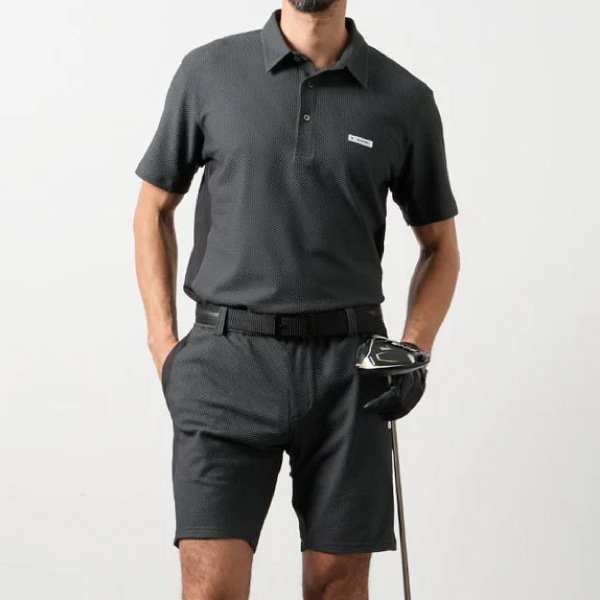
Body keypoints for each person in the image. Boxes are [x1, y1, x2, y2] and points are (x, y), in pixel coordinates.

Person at [133, 0, 460, 598]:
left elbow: (440, 247)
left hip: (349, 374)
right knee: (210, 587)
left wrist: (413, 350)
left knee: (338, 585)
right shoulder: (208, 71)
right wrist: (163, 345)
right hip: (224, 364)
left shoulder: (404, 98)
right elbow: (154, 208)